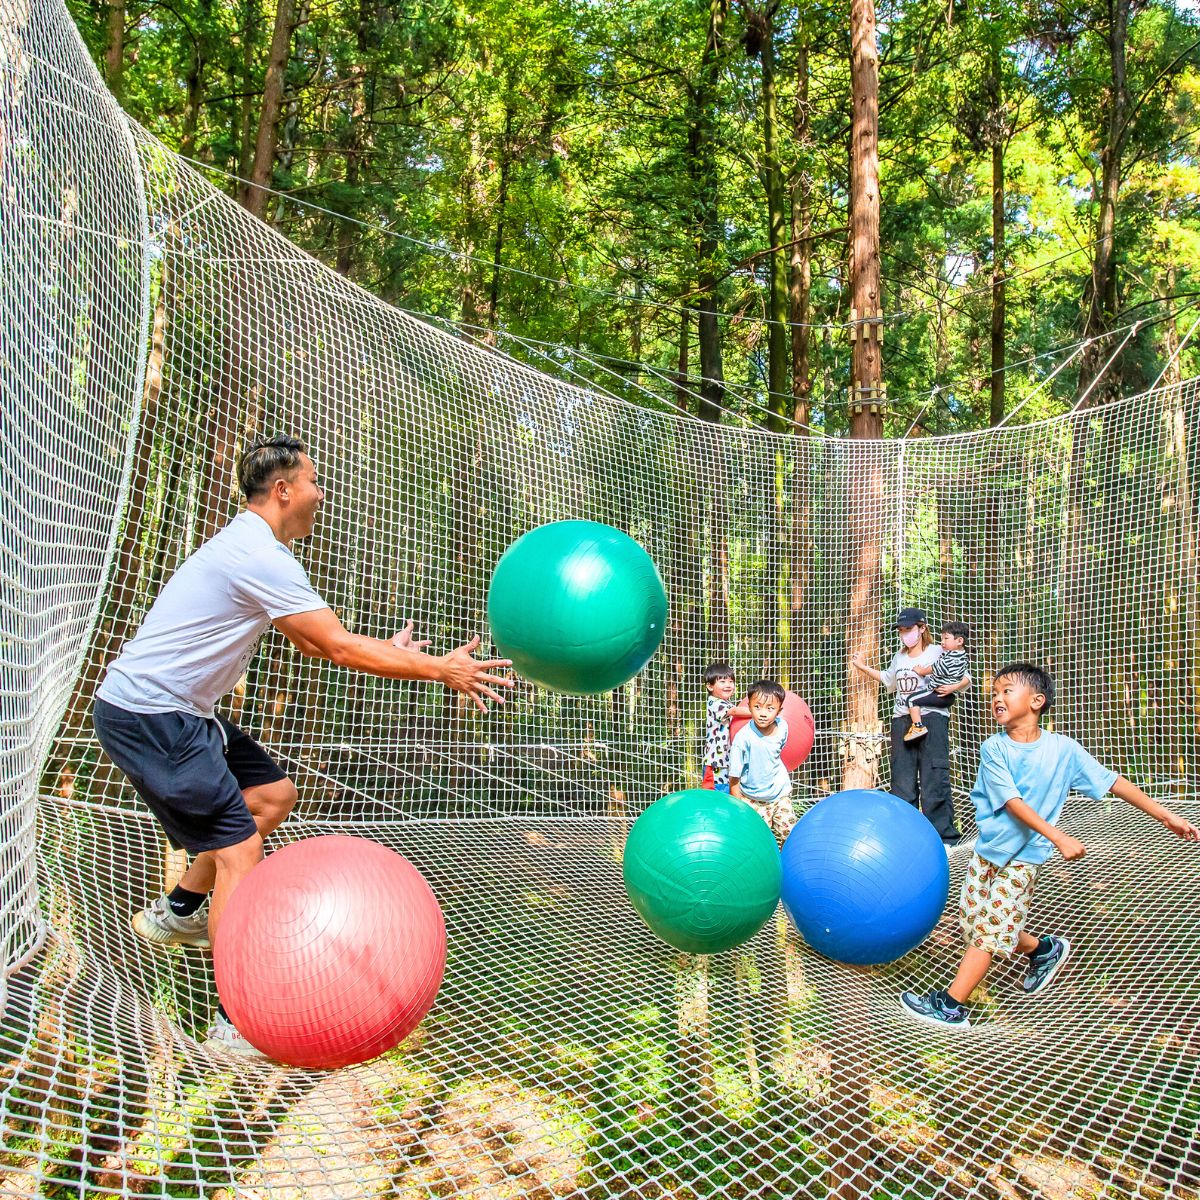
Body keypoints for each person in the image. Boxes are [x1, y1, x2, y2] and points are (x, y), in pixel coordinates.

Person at [92, 435, 512, 1056]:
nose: (321, 494)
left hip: (180, 711)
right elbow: (338, 647)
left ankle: (182, 911)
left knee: (271, 795)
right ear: (283, 490)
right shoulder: (258, 554)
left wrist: (396, 654)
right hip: (150, 714)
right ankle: (241, 1018)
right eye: (314, 482)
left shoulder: (259, 550)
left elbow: (315, 643)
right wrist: (442, 671)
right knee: (239, 852)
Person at [900, 663, 1198, 1030]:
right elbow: (1011, 801)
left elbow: (1112, 782)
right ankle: (1042, 949)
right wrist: (1059, 837)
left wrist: (1164, 815)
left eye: (1007, 691)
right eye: (994, 692)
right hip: (987, 851)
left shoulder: (1063, 750)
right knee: (975, 924)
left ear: (1037, 701)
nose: (997, 698)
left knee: (990, 932)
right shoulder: (994, 748)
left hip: (1024, 857)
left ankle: (950, 1005)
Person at [851, 607, 964, 846]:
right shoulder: (899, 657)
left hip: (932, 718)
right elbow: (887, 680)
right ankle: (904, 838)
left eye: (909, 629)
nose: (905, 634)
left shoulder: (938, 651)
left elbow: (964, 675)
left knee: (934, 777)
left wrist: (951, 689)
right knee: (902, 782)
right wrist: (861, 666)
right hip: (902, 720)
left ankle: (944, 839)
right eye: (901, 630)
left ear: (922, 628)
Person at [729, 679, 795, 842]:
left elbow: (776, 753)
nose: (763, 713)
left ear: (779, 711)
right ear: (749, 707)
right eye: (757, 707)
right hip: (753, 799)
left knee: (790, 832)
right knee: (758, 842)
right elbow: (734, 778)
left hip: (780, 794)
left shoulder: (783, 727)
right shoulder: (742, 739)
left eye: (770, 708)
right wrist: (740, 808)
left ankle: (788, 863)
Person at [905, 621, 971, 743]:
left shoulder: (950, 658)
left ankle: (918, 726)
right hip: (950, 696)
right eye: (942, 638)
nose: (942, 642)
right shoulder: (963, 657)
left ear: (960, 641)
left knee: (911, 700)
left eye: (946, 638)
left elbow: (935, 668)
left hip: (939, 695)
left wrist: (921, 671)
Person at [701, 662, 747, 794]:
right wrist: (756, 711)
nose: (728, 685)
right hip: (715, 762)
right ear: (710, 686)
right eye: (722, 681)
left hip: (727, 761)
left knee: (727, 795)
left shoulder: (726, 702)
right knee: (714, 796)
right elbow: (733, 711)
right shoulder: (714, 702)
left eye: (731, 681)